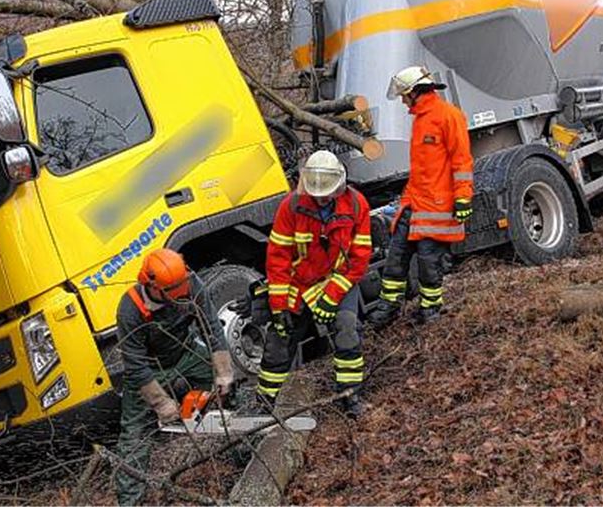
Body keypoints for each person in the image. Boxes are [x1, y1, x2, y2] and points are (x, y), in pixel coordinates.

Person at [257, 150, 372, 418]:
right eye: (316, 193)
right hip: (299, 284)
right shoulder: (292, 207)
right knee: (279, 339)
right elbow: (278, 259)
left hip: (338, 278)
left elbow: (359, 258)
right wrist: (279, 307)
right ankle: (264, 403)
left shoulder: (356, 205)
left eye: (326, 193)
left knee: (346, 329)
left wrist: (332, 295)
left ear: (340, 184)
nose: (321, 198)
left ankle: (350, 394)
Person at [115, 249, 233, 505]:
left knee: (225, 388)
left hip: (186, 350)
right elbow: (135, 365)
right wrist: (161, 403)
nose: (181, 294)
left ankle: (236, 443)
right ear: (153, 286)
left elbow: (211, 326)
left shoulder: (190, 284)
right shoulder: (130, 309)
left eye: (183, 286)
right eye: (173, 291)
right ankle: (130, 500)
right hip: (149, 368)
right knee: (134, 435)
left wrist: (224, 372)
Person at [369, 65, 474, 327]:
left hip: (437, 208)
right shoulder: (420, 120)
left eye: (405, 96)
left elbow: (461, 160)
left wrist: (463, 197)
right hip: (413, 205)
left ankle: (431, 311)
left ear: (416, 92)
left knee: (429, 265)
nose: (404, 102)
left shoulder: (448, 116)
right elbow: (420, 171)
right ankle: (388, 309)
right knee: (395, 260)